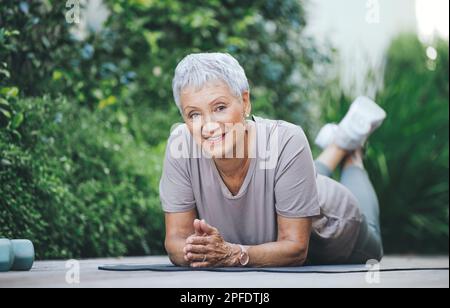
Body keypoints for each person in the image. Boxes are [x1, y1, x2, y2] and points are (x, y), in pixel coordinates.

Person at [160, 53, 386, 267]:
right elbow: (176, 240)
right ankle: (339, 142)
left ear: (245, 102)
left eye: (220, 108)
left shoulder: (287, 139)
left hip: (334, 226)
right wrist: (198, 250)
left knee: (373, 244)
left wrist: (232, 254)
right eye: (194, 114)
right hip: (292, 188)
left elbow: (295, 248)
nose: (208, 126)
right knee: (296, 176)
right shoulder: (181, 144)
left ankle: (352, 152)